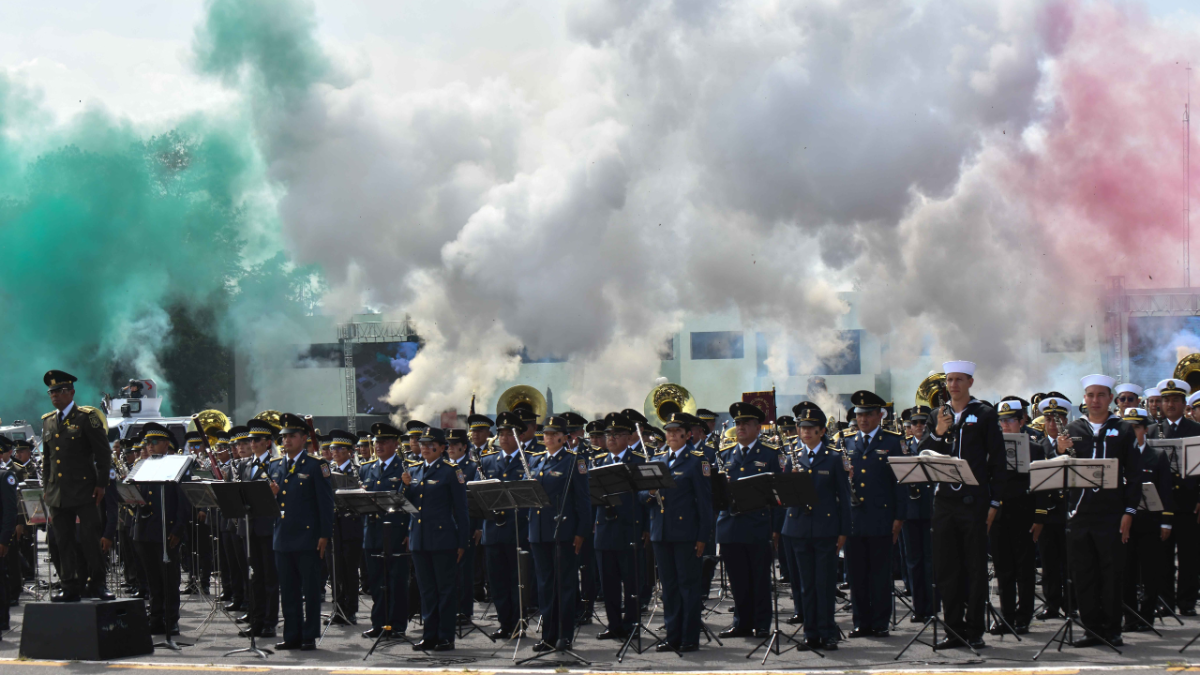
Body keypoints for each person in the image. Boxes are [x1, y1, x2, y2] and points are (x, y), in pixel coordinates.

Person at [917, 361, 1005, 650]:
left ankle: (975, 630)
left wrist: (994, 502)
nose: (953, 385)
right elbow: (923, 454)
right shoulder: (936, 415)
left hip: (973, 502)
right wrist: (938, 431)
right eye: (950, 380)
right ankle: (953, 630)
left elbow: (998, 462)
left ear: (970, 382)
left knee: (975, 568)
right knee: (946, 568)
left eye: (959, 380)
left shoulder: (985, 414)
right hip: (944, 502)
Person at [1057, 375, 1139, 647]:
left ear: (1110, 399)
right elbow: (1059, 470)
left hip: (1111, 514)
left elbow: (1134, 474)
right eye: (1090, 395)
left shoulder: (1123, 429)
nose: (1095, 400)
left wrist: (1129, 511)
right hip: (1080, 514)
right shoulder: (1072, 428)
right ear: (1084, 398)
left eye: (1101, 395)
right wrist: (1060, 451)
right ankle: (1091, 628)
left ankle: (1113, 629)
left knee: (1111, 573)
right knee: (1084, 574)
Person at [39, 370, 113, 603]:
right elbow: (48, 458)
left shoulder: (86, 418)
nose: (55, 396)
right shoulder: (49, 420)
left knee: (91, 539)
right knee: (63, 541)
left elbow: (103, 454)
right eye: (51, 392)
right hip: (58, 493)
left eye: (59, 391)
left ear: (71, 392)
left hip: (84, 490)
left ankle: (98, 584)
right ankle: (69, 585)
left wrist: (101, 484)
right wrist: (47, 486)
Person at [642, 412, 712, 652]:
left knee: (688, 586)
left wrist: (703, 536)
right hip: (661, 533)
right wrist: (650, 493)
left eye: (676, 432)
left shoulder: (696, 461)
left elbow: (705, 503)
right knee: (669, 587)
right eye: (668, 432)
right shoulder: (657, 458)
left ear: (687, 435)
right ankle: (673, 635)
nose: (671, 435)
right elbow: (644, 496)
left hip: (686, 534)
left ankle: (689, 636)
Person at [783, 403, 848, 651]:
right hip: (798, 528)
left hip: (825, 528)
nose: (806, 431)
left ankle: (827, 631)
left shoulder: (833, 458)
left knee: (825, 583)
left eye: (811, 428)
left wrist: (843, 531)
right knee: (806, 585)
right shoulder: (793, 456)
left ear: (822, 431)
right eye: (802, 427)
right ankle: (810, 633)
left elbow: (843, 497)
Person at [716, 401, 784, 639]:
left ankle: (762, 623)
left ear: (758, 428)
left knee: (760, 578)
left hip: (758, 525)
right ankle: (742, 622)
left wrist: (776, 530)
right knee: (737, 579)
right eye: (738, 423)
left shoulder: (770, 455)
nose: (741, 427)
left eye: (746, 423)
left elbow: (779, 496)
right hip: (731, 526)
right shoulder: (725, 455)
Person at [267, 414, 334, 651]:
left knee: (310, 590)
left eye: (291, 436)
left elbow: (326, 504)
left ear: (304, 438)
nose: (286, 440)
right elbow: (270, 505)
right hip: (283, 537)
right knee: (288, 590)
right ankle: (292, 634)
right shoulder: (274, 465)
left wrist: (325, 535)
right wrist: (271, 495)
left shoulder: (317, 465)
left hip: (308, 537)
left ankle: (309, 634)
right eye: (283, 437)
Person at [842, 390, 905, 638]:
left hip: (882, 518)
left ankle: (880, 622)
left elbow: (901, 483)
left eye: (868, 414)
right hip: (855, 519)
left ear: (880, 415)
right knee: (856, 575)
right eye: (859, 414)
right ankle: (861, 622)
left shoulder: (892, 442)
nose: (863, 419)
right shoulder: (846, 441)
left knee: (880, 575)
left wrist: (899, 518)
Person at [402, 427, 469, 651]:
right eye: (421, 443)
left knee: (445, 590)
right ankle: (429, 635)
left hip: (443, 539)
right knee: (426, 590)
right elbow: (407, 506)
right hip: (419, 538)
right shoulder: (414, 470)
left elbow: (461, 510)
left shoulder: (451, 470)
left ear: (441, 448)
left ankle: (445, 636)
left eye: (429, 444)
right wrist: (404, 487)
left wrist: (462, 542)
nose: (424, 447)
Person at [527, 416, 590, 652]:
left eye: (554, 434)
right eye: (546, 434)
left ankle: (564, 635)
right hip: (540, 532)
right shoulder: (536, 461)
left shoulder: (574, 461)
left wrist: (581, 532)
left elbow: (583, 501)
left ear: (564, 437)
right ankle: (548, 636)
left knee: (564, 586)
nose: (549, 437)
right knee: (545, 586)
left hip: (564, 532)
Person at [478, 412, 532, 640]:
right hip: (493, 529)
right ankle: (504, 622)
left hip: (518, 529)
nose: (504, 437)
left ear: (519, 436)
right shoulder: (488, 461)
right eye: (501, 433)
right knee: (497, 581)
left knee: (516, 580)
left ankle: (519, 622)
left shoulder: (529, 459)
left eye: (509, 433)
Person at [133, 422, 190, 635]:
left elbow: (183, 502)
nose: (149, 446)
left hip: (166, 530)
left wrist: (178, 529)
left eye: (154, 442)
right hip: (144, 529)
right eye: (147, 442)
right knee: (152, 578)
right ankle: (155, 617)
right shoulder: (142, 465)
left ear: (166, 444)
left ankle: (170, 618)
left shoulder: (176, 465)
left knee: (169, 577)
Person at [592, 413, 645, 640]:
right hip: (604, 528)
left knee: (632, 581)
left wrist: (646, 528)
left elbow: (645, 499)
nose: (611, 438)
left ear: (628, 437)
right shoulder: (599, 462)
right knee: (609, 583)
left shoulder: (639, 461)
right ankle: (614, 624)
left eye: (617, 434)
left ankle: (632, 622)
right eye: (608, 434)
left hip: (629, 527)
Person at [1121, 407, 1173, 632]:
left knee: (1151, 572)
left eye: (1137, 427)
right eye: (1129, 427)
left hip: (1149, 521)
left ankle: (1146, 616)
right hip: (1126, 523)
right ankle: (1130, 617)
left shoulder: (1157, 456)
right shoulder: (1119, 455)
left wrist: (1166, 521)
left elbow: (1166, 490)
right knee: (1127, 572)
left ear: (1145, 429)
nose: (1133, 431)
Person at [1150, 378, 1200, 615]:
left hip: (1190, 502)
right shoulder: (1152, 430)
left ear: (1183, 404)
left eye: (1175, 400)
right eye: (1166, 400)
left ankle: (1187, 603)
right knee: (1162, 557)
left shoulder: (1197, 431)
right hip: (1161, 503)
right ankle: (1165, 602)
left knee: (1190, 556)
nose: (1170, 404)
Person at [990, 399, 1039, 634]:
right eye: (1002, 421)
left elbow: (1042, 489)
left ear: (1022, 421)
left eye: (1010, 420)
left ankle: (1024, 617)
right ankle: (1007, 616)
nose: (1005, 425)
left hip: (1024, 515)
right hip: (999, 515)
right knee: (1003, 569)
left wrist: (1039, 517)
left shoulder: (1035, 448)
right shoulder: (992, 449)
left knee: (1024, 569)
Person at [360, 422, 410, 639]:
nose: (378, 445)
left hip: (396, 533)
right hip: (372, 532)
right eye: (376, 442)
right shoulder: (366, 468)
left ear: (395, 444)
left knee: (396, 580)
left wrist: (409, 531)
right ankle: (379, 623)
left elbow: (412, 502)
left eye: (384, 441)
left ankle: (397, 624)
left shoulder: (406, 467)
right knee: (376, 581)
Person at [238, 419, 280, 639]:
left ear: (267, 442)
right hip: (250, 527)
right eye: (250, 439)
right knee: (254, 577)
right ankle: (256, 620)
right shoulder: (244, 465)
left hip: (268, 527)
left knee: (269, 577)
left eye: (256, 440)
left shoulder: (275, 464)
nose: (252, 443)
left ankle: (269, 622)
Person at [1033, 396, 1072, 620]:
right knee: (1049, 563)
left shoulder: (1074, 443)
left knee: (1071, 563)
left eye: (1058, 419)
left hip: (1069, 510)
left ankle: (1072, 603)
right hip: (1048, 511)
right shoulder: (1039, 446)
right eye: (1049, 419)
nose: (1053, 424)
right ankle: (1052, 604)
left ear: (1066, 420)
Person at [899, 406, 935, 623]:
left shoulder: (934, 446)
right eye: (915, 424)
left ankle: (932, 606)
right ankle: (918, 607)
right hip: (910, 511)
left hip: (931, 509)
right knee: (913, 560)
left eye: (923, 423)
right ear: (910, 427)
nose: (919, 427)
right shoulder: (903, 448)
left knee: (931, 560)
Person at [445, 427, 481, 625]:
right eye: (448, 445)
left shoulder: (472, 467)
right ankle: (452, 608)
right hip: (446, 525)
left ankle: (465, 610)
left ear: (464, 448)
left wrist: (477, 526)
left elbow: (475, 502)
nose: (450, 448)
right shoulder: (444, 466)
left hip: (465, 524)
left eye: (454, 445)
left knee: (465, 570)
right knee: (449, 570)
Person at [327, 429, 363, 625]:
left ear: (350, 451)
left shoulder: (357, 470)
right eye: (333, 448)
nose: (335, 452)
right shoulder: (328, 470)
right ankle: (338, 608)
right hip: (333, 525)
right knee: (335, 570)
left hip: (351, 525)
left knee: (350, 570)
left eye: (340, 448)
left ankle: (351, 609)